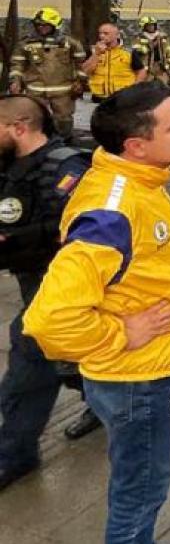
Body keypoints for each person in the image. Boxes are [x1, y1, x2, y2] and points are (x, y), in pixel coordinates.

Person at [23, 82, 170, 544]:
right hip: (139, 381)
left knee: (140, 484)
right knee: (140, 493)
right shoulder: (110, 211)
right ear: (136, 145)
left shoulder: (141, 180)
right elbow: (47, 319)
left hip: (148, 372)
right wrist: (123, 331)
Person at [0, 96, 99, 490]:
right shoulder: (11, 166)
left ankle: (14, 454)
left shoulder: (65, 168)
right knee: (69, 361)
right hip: (30, 280)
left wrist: (13, 239)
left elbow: (75, 233)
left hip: (56, 287)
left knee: (27, 364)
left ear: (18, 129)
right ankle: (104, 399)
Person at [7, 7, 88, 139]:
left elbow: (82, 65)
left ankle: (65, 143)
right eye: (38, 25)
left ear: (55, 26)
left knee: (63, 120)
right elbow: (17, 64)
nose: (41, 28)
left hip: (63, 91)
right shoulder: (26, 44)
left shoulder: (70, 43)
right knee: (34, 118)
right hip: (35, 90)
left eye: (45, 25)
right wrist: (15, 81)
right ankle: (38, 143)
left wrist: (81, 82)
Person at [82, 23, 144, 103]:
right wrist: (96, 54)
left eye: (106, 33)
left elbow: (141, 71)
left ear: (117, 35)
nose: (102, 36)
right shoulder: (94, 50)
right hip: (99, 99)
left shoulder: (128, 52)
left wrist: (135, 89)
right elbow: (86, 71)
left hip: (123, 98)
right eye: (100, 33)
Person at [133, 16, 170, 85]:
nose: (151, 27)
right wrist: (150, 46)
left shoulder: (162, 37)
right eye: (149, 25)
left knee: (162, 85)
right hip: (147, 66)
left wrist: (169, 61)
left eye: (153, 25)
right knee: (146, 86)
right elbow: (137, 51)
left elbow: (168, 49)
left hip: (160, 65)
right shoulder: (140, 38)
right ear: (144, 26)